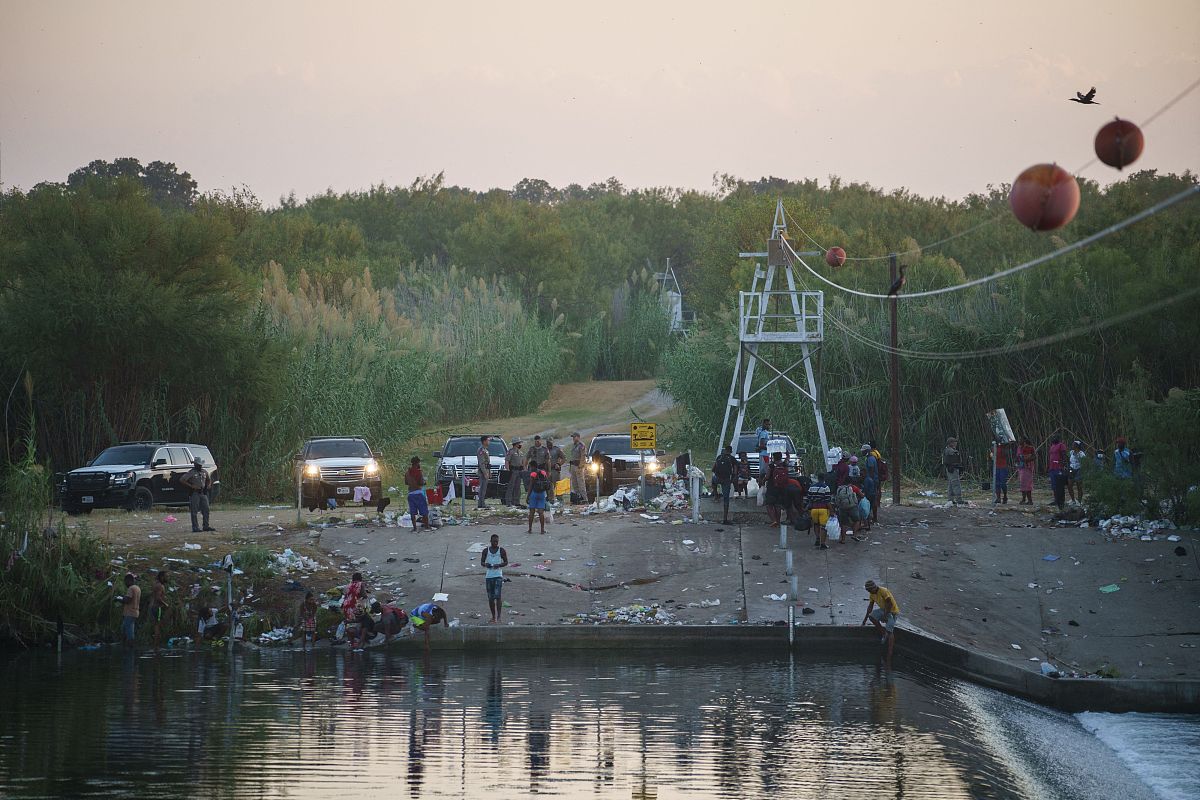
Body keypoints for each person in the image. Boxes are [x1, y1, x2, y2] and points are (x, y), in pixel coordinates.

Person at [862, 579, 900, 666]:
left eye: (868, 590)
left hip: (892, 612)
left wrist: (885, 616)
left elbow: (889, 604)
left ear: (873, 588)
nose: (868, 591)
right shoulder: (872, 594)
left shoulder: (884, 591)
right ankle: (883, 634)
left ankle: (889, 654)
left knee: (890, 631)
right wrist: (864, 620)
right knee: (871, 616)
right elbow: (870, 607)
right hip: (883, 610)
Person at [180, 457, 214, 533]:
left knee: (206, 509)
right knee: (194, 510)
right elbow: (182, 480)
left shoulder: (204, 472)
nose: (200, 466)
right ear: (195, 464)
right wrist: (191, 485)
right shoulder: (191, 472)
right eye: (198, 465)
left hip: (203, 492)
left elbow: (209, 479)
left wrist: (208, 485)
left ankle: (206, 526)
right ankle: (195, 527)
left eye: (201, 465)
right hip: (195, 493)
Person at [481, 534, 508, 624]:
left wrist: (499, 565)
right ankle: (493, 617)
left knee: (498, 596)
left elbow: (506, 562)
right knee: (490, 598)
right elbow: (482, 562)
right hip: (489, 576)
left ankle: (499, 616)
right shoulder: (485, 551)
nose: (495, 543)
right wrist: (486, 564)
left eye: (497, 541)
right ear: (490, 541)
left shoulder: (501, 550)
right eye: (494, 541)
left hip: (498, 575)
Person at [806, 472, 832, 550]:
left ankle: (817, 538)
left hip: (813, 509)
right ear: (824, 479)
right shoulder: (826, 487)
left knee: (816, 524)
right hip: (823, 509)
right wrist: (832, 511)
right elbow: (828, 501)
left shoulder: (812, 487)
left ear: (818, 478)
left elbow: (809, 498)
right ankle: (822, 544)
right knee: (823, 527)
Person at [405, 456, 432, 530]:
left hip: (410, 494)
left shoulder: (407, 473)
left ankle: (414, 528)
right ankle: (427, 526)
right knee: (424, 511)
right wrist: (424, 482)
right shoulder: (419, 472)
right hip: (419, 493)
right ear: (417, 463)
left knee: (413, 512)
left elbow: (406, 482)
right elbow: (421, 482)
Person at [712, 445, 736, 524]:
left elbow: (713, 469)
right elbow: (735, 471)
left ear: (725, 450)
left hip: (718, 478)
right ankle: (725, 519)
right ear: (731, 451)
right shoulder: (732, 459)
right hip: (726, 480)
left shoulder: (719, 457)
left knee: (713, 481)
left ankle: (715, 495)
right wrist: (732, 479)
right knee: (726, 499)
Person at [527, 462, 550, 534]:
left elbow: (531, 486)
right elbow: (547, 484)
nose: (529, 469)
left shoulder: (533, 474)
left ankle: (530, 529)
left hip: (534, 494)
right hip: (542, 494)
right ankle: (542, 530)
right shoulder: (543, 472)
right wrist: (548, 495)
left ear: (532, 466)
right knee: (541, 512)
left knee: (532, 512)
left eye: (530, 467)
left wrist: (528, 496)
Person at [503, 438, 526, 507]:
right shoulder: (511, 452)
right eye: (519, 443)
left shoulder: (520, 452)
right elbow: (507, 461)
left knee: (517, 487)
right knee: (511, 486)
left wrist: (524, 469)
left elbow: (523, 462)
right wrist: (507, 470)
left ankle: (516, 501)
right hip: (512, 471)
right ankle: (508, 502)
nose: (520, 444)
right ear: (516, 444)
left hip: (519, 471)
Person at [120, 572, 141, 647]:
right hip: (134, 612)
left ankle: (130, 649)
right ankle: (125, 645)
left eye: (125, 581)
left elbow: (128, 600)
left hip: (130, 613)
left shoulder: (131, 588)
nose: (125, 583)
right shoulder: (137, 588)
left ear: (129, 581)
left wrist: (120, 599)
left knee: (129, 632)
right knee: (124, 629)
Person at [149, 570, 168, 649]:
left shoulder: (156, 584)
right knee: (157, 626)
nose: (167, 578)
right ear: (162, 577)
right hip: (157, 608)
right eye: (166, 577)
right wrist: (165, 604)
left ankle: (155, 645)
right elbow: (158, 598)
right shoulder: (160, 586)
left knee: (155, 626)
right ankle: (156, 646)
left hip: (152, 607)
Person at [1048, 435, 1068, 509]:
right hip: (1052, 468)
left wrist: (1063, 465)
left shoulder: (1061, 445)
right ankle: (1056, 500)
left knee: (1059, 485)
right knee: (1054, 485)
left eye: (1055, 437)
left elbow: (1064, 455)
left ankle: (1061, 501)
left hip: (1058, 468)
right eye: (1052, 438)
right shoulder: (1052, 446)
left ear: (1058, 439)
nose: (1053, 439)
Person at [862, 444, 881, 522]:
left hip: (871, 481)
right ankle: (873, 517)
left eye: (863, 451)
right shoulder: (871, 458)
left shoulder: (870, 459)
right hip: (873, 480)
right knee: (872, 499)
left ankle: (873, 517)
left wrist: (870, 481)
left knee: (871, 499)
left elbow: (871, 470)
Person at [942, 437, 963, 505]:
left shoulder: (947, 449)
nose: (955, 443)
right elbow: (955, 454)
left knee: (951, 484)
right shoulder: (949, 450)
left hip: (951, 468)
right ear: (951, 443)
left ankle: (950, 499)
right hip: (952, 468)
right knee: (956, 483)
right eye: (954, 442)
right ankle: (959, 499)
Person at [568, 432, 587, 504]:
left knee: (581, 483)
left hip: (578, 466)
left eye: (574, 437)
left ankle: (584, 499)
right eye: (573, 437)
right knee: (574, 484)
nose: (573, 438)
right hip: (573, 465)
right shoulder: (574, 445)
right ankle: (577, 498)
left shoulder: (581, 445)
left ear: (578, 437)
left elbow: (583, 456)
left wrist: (581, 466)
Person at [546, 437, 566, 504]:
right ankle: (550, 500)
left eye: (550, 443)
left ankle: (560, 500)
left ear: (552, 442)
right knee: (548, 487)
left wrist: (559, 464)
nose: (549, 444)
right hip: (547, 471)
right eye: (548, 443)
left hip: (555, 470)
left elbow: (564, 458)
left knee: (557, 485)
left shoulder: (557, 449)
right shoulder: (544, 450)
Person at [1017, 437, 1036, 505]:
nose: (1019, 441)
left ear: (1024, 441)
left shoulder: (1030, 447)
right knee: (1022, 483)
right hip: (1021, 467)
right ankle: (1024, 499)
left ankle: (1030, 500)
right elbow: (1018, 457)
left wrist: (1026, 459)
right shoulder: (1019, 448)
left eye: (1020, 440)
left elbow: (1034, 457)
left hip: (1028, 467)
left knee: (1028, 484)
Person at [476, 436, 492, 509]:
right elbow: (481, 463)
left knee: (484, 488)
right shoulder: (481, 450)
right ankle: (481, 503)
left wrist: (489, 472)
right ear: (484, 441)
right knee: (482, 487)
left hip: (486, 469)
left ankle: (482, 503)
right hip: (483, 471)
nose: (489, 442)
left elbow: (487, 463)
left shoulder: (485, 450)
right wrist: (485, 473)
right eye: (488, 440)